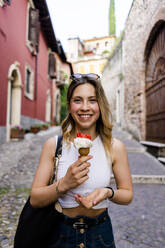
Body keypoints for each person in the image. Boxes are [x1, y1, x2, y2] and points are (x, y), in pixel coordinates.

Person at [30, 73, 133, 248]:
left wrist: (108, 192)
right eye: (78, 100)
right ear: (69, 106)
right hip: (60, 233)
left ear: (100, 105)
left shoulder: (115, 147)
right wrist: (63, 184)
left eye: (92, 100)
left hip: (100, 235)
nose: (85, 107)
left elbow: (127, 194)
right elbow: (35, 199)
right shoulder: (53, 145)